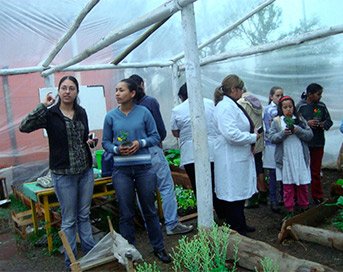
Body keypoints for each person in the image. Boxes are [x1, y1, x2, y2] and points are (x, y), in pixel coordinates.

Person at [19, 76, 96, 269]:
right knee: (69, 220)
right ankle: (71, 262)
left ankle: (91, 256)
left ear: (77, 92)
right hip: (63, 174)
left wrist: (90, 142)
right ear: (58, 91)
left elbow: (83, 138)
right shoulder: (50, 114)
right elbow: (24, 126)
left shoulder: (81, 112)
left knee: (84, 215)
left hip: (85, 171)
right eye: (64, 88)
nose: (68, 91)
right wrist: (42, 106)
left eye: (72, 88)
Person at [102, 78, 171, 263]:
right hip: (121, 171)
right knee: (126, 212)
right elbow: (105, 143)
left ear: (132, 93)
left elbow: (155, 136)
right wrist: (117, 149)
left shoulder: (144, 112)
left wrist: (139, 143)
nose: (117, 93)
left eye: (121, 90)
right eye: (116, 90)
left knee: (149, 209)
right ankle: (128, 253)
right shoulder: (110, 117)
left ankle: (159, 247)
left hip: (144, 168)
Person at [129, 74, 193, 236]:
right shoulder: (149, 102)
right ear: (142, 85)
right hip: (152, 150)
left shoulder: (127, 108)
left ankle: (151, 225)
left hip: (135, 154)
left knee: (142, 190)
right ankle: (171, 224)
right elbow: (161, 132)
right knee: (165, 186)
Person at [212, 74, 261, 235]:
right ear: (234, 89)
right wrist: (252, 137)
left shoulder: (231, 104)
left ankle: (241, 223)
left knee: (238, 193)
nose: (243, 92)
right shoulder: (225, 107)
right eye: (241, 89)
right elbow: (231, 134)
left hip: (237, 156)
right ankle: (236, 227)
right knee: (232, 194)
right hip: (230, 157)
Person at [170, 83, 225, 222]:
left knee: (197, 187)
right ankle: (223, 216)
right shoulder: (211, 104)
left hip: (190, 155)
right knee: (216, 184)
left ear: (182, 96)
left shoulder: (177, 110)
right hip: (212, 151)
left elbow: (175, 132)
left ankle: (206, 220)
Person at [269, 96, 313, 219]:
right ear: (281, 108)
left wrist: (298, 130)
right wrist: (283, 134)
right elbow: (272, 137)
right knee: (287, 185)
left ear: (294, 107)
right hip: (286, 157)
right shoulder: (277, 121)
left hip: (299, 155)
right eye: (285, 107)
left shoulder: (299, 119)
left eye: (290, 106)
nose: (288, 109)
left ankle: (304, 206)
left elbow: (310, 135)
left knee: (302, 183)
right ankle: (290, 209)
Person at [296, 83, 333, 205]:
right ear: (310, 94)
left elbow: (329, 121)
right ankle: (301, 197)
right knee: (302, 169)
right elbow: (294, 121)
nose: (320, 96)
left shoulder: (322, 106)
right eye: (318, 94)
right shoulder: (301, 106)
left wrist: (322, 124)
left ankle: (317, 195)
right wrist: (307, 123)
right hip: (304, 143)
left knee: (316, 170)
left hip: (318, 143)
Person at [238, 87, 267, 208]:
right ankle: (263, 192)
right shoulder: (256, 101)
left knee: (250, 168)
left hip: (249, 140)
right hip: (258, 138)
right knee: (259, 165)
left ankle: (253, 196)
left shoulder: (241, 103)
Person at [263, 86, 284, 213]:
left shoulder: (280, 108)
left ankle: (282, 197)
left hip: (279, 144)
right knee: (273, 174)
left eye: (282, 95)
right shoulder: (271, 110)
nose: (280, 98)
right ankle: (273, 199)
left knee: (281, 172)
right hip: (272, 145)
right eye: (277, 95)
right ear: (271, 97)